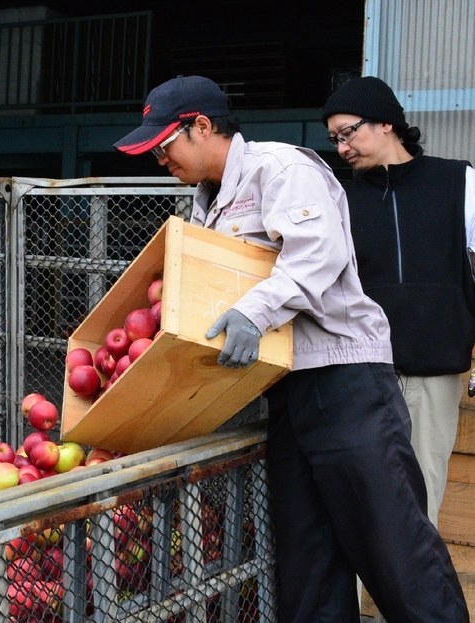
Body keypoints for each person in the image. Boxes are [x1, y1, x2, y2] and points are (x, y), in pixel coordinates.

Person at [114, 75, 468, 623]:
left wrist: (253, 314)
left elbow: (314, 256)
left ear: (202, 127)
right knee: (308, 560)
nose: (161, 159)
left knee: (394, 546)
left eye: (164, 145)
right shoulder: (204, 205)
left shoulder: (282, 170)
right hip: (285, 387)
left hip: (345, 382)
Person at [323, 75, 475, 526]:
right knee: (355, 508)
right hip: (359, 375)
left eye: (348, 132)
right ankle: (352, 599)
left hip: (434, 375)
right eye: (335, 139)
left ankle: (403, 599)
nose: (342, 147)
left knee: (418, 509)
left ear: (386, 123)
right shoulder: (339, 199)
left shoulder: (458, 181)